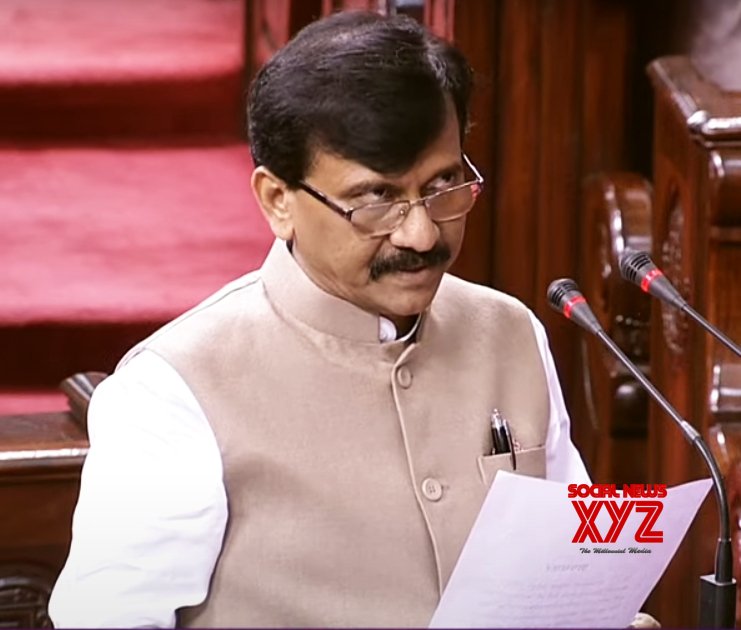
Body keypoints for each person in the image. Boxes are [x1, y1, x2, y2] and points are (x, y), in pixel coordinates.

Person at [49, 10, 592, 628]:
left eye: (444, 186)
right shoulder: (175, 387)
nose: (419, 234)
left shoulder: (511, 331)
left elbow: (565, 574)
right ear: (277, 200)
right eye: (377, 200)